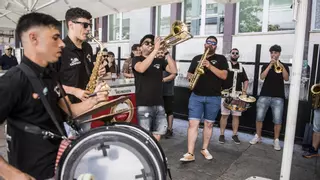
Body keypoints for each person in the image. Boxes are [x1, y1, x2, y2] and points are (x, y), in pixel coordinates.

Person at [0, 12, 108, 180]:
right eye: (55, 38)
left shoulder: (51, 76)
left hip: (59, 166)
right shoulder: (13, 81)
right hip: (32, 173)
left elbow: (71, 111)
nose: (62, 44)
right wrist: (12, 174)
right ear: (34, 39)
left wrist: (96, 99)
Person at [180, 36, 228, 162]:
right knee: (192, 124)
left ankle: (204, 149)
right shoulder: (196, 58)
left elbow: (224, 76)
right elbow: (189, 74)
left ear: (215, 46)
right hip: (196, 96)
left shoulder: (221, 59)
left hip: (214, 97)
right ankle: (190, 152)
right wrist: (192, 75)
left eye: (213, 43)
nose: (210, 45)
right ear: (204, 44)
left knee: (209, 124)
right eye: (208, 42)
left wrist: (209, 66)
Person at [51, 7, 106, 104]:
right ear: (71, 25)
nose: (88, 29)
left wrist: (98, 71)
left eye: (90, 25)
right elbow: (50, 83)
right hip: (67, 108)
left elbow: (88, 74)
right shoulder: (59, 49)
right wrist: (74, 91)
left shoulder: (87, 47)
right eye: (85, 25)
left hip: (87, 103)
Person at [132, 34, 177, 141]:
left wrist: (166, 53)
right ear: (140, 46)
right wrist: (155, 49)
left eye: (152, 43)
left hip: (159, 103)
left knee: (157, 135)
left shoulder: (159, 61)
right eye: (146, 43)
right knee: (145, 136)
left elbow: (174, 71)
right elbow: (141, 68)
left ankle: (153, 155)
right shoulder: (136, 59)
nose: (149, 45)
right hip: (144, 103)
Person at [249, 44, 290, 151]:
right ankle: (258, 136)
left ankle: (276, 140)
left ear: (279, 54)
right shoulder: (266, 65)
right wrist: (270, 65)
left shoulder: (283, 66)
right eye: (272, 52)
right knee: (259, 117)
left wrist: (279, 64)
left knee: (277, 120)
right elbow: (262, 77)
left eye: (275, 52)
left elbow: (286, 78)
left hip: (278, 97)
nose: (273, 54)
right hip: (264, 95)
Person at [219, 48, 248, 144]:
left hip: (237, 95)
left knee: (236, 116)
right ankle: (222, 134)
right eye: (233, 53)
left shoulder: (241, 66)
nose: (235, 54)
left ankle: (235, 135)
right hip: (226, 94)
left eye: (236, 53)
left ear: (238, 55)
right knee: (224, 115)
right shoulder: (225, 65)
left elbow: (246, 80)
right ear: (230, 54)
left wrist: (244, 91)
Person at [157, 49, 177, 138]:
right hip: (157, 91)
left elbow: (174, 74)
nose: (160, 54)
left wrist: (163, 80)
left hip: (168, 91)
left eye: (162, 52)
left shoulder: (170, 62)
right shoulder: (154, 62)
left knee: (169, 111)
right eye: (159, 53)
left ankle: (169, 129)